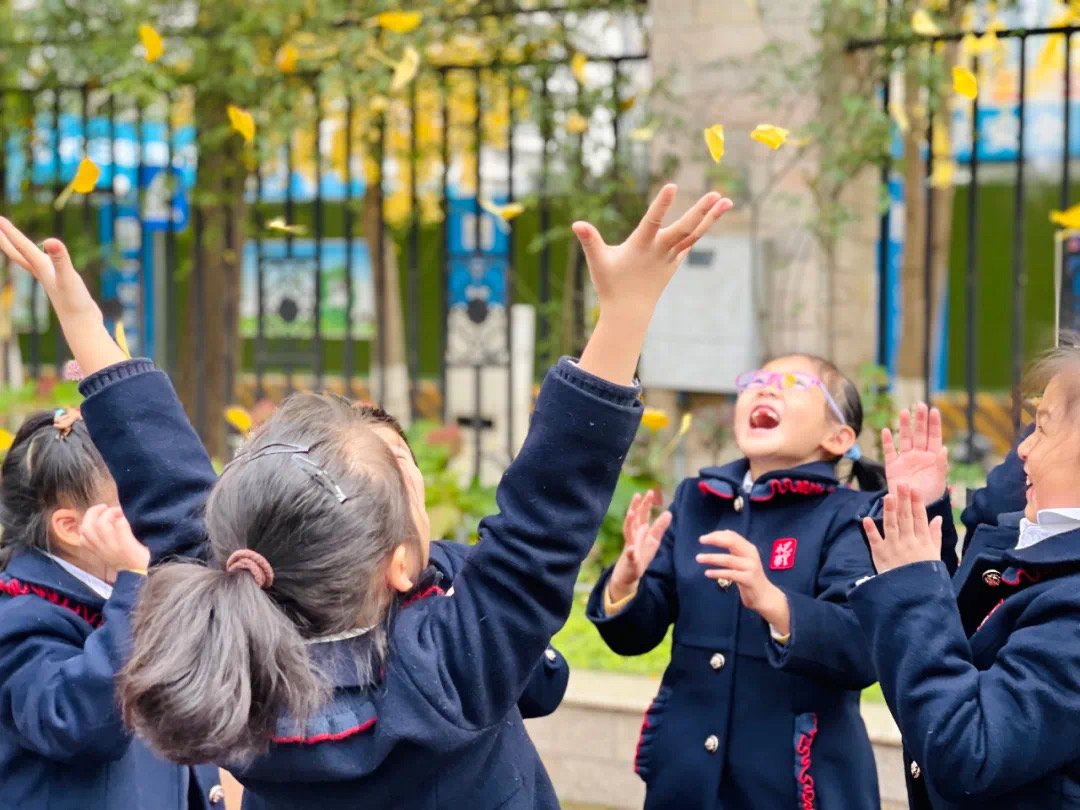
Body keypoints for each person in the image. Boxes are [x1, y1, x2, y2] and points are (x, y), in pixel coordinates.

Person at [0, 185, 732, 809]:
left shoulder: (229, 662)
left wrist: (88, 327)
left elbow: (164, 479)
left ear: (236, 545)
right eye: (406, 485)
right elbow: (546, 519)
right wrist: (626, 309)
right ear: (398, 565)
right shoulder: (459, 663)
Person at [587, 354, 896, 809]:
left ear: (838, 437)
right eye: (757, 380)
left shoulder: (850, 517)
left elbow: (860, 649)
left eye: (792, 383)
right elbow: (635, 636)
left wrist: (774, 602)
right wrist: (626, 583)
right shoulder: (697, 499)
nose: (766, 388)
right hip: (687, 779)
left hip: (793, 784)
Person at [856, 348, 1080, 809]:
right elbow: (962, 641)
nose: (1022, 448)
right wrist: (923, 519)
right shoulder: (1037, 542)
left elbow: (972, 751)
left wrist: (913, 584)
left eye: (1043, 426)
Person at [0, 409, 220, 807]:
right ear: (71, 528)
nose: (149, 513)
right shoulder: (19, 615)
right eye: (130, 500)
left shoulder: (121, 590)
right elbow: (75, 722)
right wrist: (133, 582)